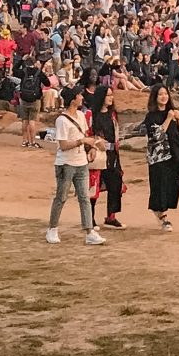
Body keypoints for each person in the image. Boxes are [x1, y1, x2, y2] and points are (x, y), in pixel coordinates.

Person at [46, 86, 105, 245]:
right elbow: (63, 145)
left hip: (81, 162)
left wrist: (91, 147)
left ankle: (89, 231)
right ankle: (52, 228)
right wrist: (82, 142)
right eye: (79, 95)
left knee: (84, 197)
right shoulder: (62, 120)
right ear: (73, 99)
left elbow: (85, 135)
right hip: (66, 163)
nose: (82, 97)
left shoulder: (80, 115)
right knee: (61, 196)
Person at [143, 84, 179, 231]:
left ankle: (161, 210)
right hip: (158, 157)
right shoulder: (151, 117)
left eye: (166, 94)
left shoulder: (173, 112)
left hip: (174, 155)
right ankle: (163, 216)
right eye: (160, 94)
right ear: (155, 98)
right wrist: (168, 119)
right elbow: (156, 136)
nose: (164, 97)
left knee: (172, 184)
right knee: (160, 185)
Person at [88, 86, 124, 229]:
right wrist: (95, 143)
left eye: (111, 95)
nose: (111, 98)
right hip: (97, 154)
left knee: (115, 184)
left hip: (112, 155)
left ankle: (111, 216)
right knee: (94, 187)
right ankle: (89, 218)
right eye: (108, 95)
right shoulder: (91, 114)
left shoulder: (112, 114)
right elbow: (88, 133)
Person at [18, 58, 50, 148]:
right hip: (35, 98)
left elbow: (14, 71)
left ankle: (24, 141)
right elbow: (47, 83)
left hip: (24, 98)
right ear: (35, 63)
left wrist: (21, 61)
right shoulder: (38, 72)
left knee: (24, 120)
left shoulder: (23, 71)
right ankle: (32, 142)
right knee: (32, 120)